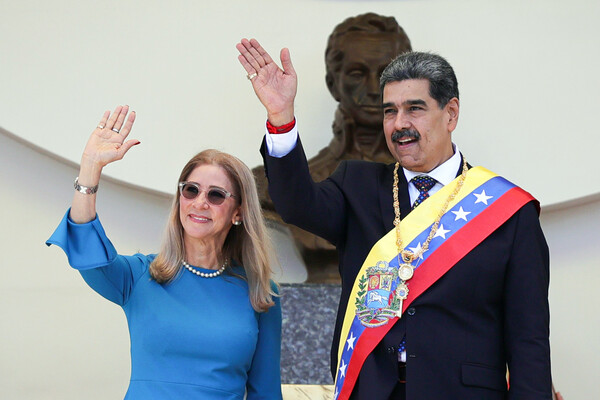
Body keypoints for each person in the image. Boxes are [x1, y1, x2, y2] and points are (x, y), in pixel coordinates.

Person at [237, 39, 552, 399]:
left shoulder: (508, 213)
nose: (400, 124)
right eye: (390, 112)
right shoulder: (356, 185)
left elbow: (529, 341)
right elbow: (296, 204)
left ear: (451, 113)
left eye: (414, 109)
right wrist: (281, 118)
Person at [46, 105, 282, 399]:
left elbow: (266, 392)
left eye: (216, 195)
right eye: (191, 190)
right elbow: (87, 250)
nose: (200, 202)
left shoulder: (260, 291)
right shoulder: (139, 276)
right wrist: (90, 167)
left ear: (239, 212)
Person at [252, 13, 412, 282]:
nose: (374, 88)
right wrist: (281, 117)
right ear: (333, 83)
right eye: (357, 74)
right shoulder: (270, 186)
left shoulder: (441, 186)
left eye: (385, 74)